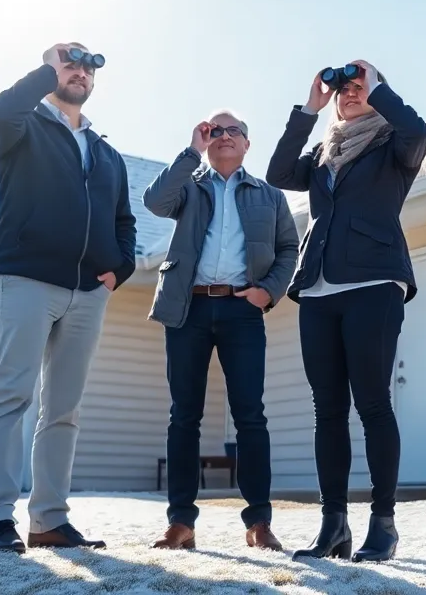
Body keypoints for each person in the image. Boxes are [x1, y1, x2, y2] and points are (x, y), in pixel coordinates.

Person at [266, 59, 426, 563]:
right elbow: (276, 172)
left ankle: (383, 524)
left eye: (360, 86)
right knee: (328, 411)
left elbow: (418, 129)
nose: (350, 92)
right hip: (318, 287)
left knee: (374, 404)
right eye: (345, 88)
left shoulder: (394, 145)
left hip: (373, 282)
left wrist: (378, 88)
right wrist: (310, 110)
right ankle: (333, 524)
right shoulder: (322, 153)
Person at [0, 42, 137, 554]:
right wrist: (45, 70)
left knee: (63, 409)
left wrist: (119, 269)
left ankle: (49, 519)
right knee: (11, 396)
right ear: (50, 70)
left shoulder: (106, 152)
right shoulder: (21, 128)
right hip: (25, 278)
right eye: (69, 63)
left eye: (88, 67)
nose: (80, 72)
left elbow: (123, 222)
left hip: (88, 291)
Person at [142, 110, 299, 552]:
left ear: (247, 144)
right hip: (188, 308)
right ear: (207, 141)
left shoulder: (269, 196)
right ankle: (181, 523)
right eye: (216, 131)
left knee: (250, 416)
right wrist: (191, 150)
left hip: (241, 309)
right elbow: (154, 202)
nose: (225, 136)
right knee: (184, 416)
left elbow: (289, 248)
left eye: (235, 131)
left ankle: (259, 523)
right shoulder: (189, 186)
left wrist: (267, 292)